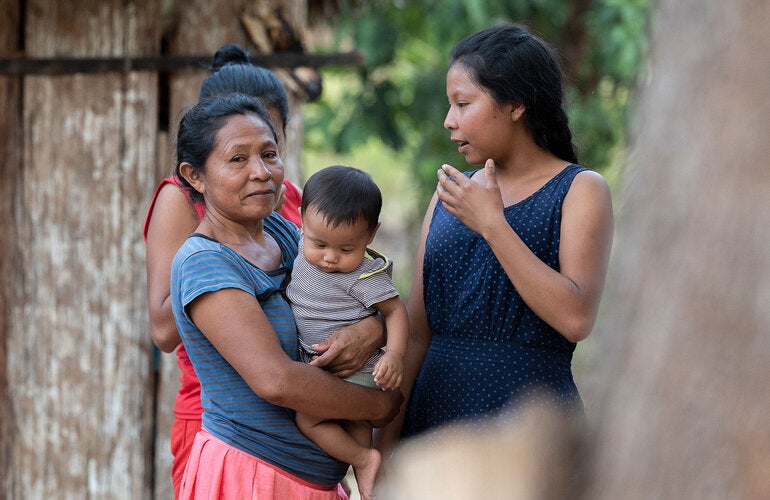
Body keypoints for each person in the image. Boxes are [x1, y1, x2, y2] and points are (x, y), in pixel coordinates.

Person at [144, 44, 385, 497]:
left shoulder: (281, 227)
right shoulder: (202, 255)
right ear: (195, 176)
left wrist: (372, 327)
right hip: (249, 468)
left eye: (270, 152)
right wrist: (381, 405)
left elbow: (346, 287)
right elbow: (275, 380)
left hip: (305, 472)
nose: (261, 172)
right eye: (238, 159)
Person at [377, 23, 614, 452]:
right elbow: (415, 337)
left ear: (516, 105)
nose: (449, 121)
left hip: (526, 428)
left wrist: (493, 225)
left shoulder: (580, 189)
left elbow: (576, 318)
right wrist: (383, 449)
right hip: (433, 424)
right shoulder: (450, 191)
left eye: (463, 103)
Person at [286, 166, 409, 500]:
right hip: (333, 371)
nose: (329, 258)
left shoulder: (365, 276)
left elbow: (396, 312)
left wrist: (396, 355)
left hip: (359, 371)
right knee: (355, 426)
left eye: (345, 250)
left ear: (370, 235)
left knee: (307, 418)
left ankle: (363, 460)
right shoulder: (299, 243)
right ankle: (366, 483)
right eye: (320, 244)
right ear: (302, 221)